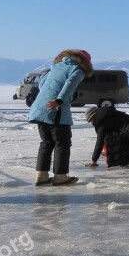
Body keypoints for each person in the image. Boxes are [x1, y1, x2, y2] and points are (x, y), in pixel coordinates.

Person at [28, 49, 93, 186]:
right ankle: (61, 176)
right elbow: (70, 84)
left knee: (46, 142)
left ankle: (41, 176)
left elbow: (41, 84)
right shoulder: (78, 70)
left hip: (39, 108)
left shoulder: (56, 67)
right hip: (55, 109)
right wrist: (59, 100)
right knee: (62, 143)